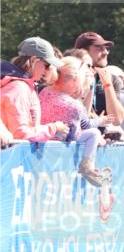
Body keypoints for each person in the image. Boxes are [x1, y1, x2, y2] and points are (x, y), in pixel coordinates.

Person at [39, 55, 111, 185]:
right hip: (63, 143)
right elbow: (87, 125)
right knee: (94, 133)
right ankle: (87, 165)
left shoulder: (43, 91)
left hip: (42, 141)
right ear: (75, 80)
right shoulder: (74, 105)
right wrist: (101, 121)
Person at [0, 38, 68, 142]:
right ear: (33, 60)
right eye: (47, 65)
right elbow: (21, 134)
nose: (47, 70)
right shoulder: (19, 88)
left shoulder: (23, 86)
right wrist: (54, 128)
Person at [74, 31, 124, 125]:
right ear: (83, 51)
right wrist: (98, 120)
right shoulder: (70, 77)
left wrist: (107, 85)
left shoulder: (112, 80)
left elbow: (117, 120)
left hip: (102, 137)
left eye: (106, 48)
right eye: (99, 48)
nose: (106, 52)